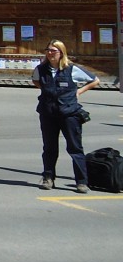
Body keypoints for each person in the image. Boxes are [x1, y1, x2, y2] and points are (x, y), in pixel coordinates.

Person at [31, 39, 100, 193]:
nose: (50, 53)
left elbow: (95, 80)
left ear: (61, 53)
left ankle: (81, 182)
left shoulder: (71, 69)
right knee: (49, 148)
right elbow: (36, 81)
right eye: (48, 50)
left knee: (75, 148)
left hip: (69, 114)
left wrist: (78, 92)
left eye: (53, 51)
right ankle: (48, 178)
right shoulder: (40, 69)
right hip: (48, 114)